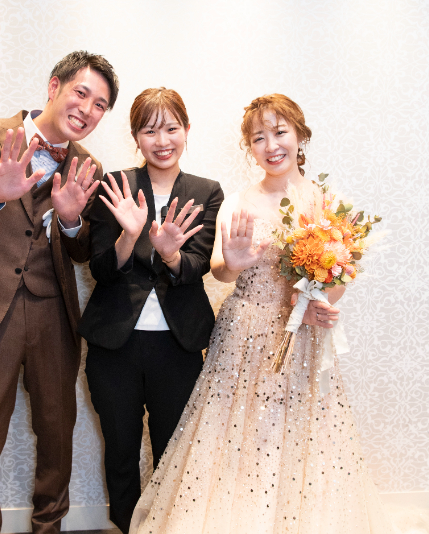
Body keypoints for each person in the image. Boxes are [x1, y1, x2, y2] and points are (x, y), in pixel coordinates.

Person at [130, 94, 395, 533]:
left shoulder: (327, 205)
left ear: (300, 136)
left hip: (303, 338)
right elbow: (221, 270)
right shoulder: (237, 201)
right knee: (238, 434)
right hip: (245, 334)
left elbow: (339, 276)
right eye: (258, 138)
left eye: (280, 132)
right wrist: (233, 262)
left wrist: (319, 306)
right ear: (249, 147)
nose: (271, 146)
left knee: (301, 434)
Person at [0, 51, 119, 534]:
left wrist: (72, 220)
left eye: (100, 105)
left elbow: (82, 251)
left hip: (54, 311)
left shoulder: (89, 166)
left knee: (57, 432)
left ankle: (48, 526)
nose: (87, 110)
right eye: (81, 93)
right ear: (54, 87)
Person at [78, 87, 224, 533]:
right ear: (136, 137)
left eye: (171, 128)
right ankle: (126, 526)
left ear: (187, 130)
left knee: (173, 451)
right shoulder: (115, 185)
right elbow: (100, 268)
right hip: (114, 343)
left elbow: (198, 266)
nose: (162, 141)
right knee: (120, 448)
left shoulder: (206, 192)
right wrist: (129, 235)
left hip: (178, 345)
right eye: (149, 131)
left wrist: (171, 254)